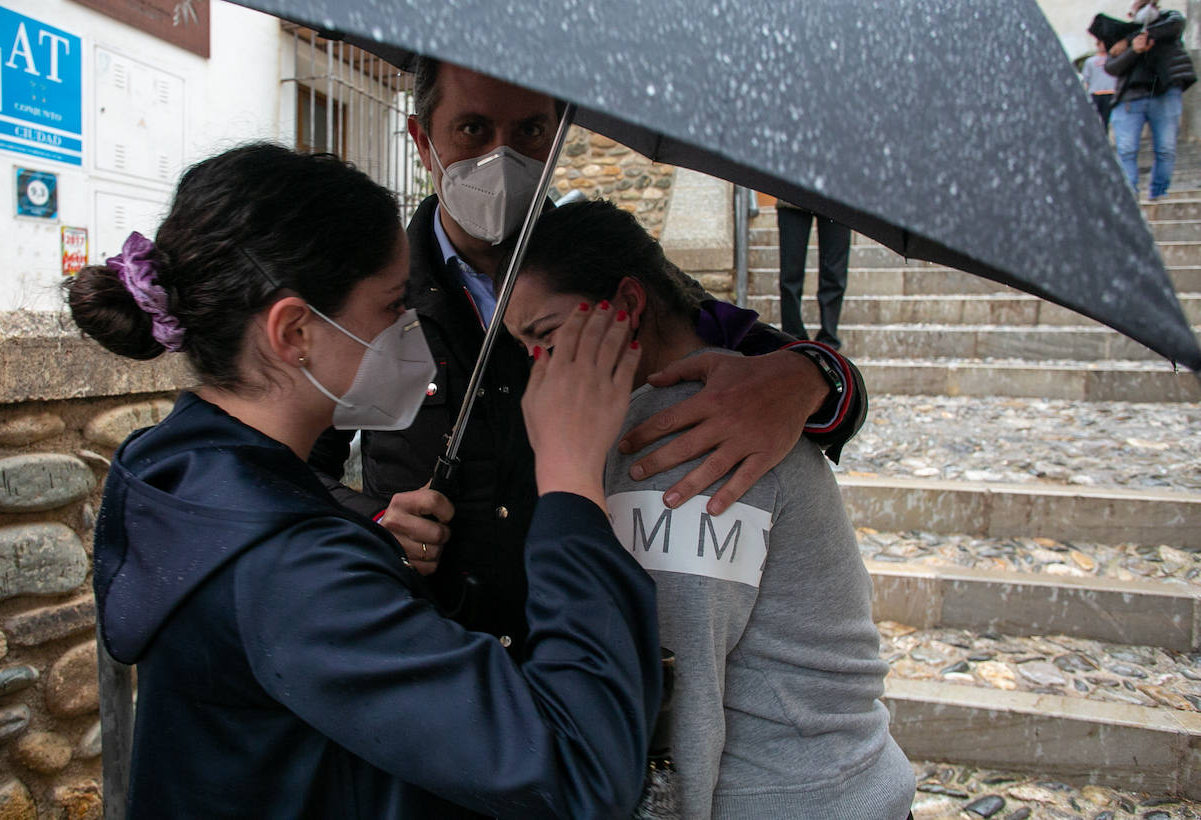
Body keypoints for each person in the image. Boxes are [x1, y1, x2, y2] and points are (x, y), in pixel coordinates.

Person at [66, 143, 663, 819]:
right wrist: (572, 482)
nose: (412, 330)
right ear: (295, 332)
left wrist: (366, 539)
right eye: (390, 306)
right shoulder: (290, 569)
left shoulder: (178, 466)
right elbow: (579, 772)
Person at [310, 60, 867, 655]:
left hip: (573, 652)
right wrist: (369, 524)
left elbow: (772, 359)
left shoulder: (601, 270)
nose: (502, 157)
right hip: (433, 650)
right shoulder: (373, 294)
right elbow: (291, 461)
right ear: (424, 142)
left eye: (528, 132)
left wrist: (812, 378)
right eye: (473, 129)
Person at [503, 199, 916, 820]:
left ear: (629, 306)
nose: (539, 370)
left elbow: (679, 704)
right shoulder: (717, 401)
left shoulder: (682, 437)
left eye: (548, 336)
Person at [1107, 0, 1198, 200]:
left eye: (1149, 4)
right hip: (1130, 98)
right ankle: (1130, 194)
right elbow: (1112, 66)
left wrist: (1133, 38)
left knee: (1166, 149)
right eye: (1140, 6)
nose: (1146, 9)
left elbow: (1175, 24)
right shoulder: (1122, 35)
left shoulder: (1169, 23)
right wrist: (1134, 50)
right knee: (1126, 149)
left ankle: (1159, 193)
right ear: (1131, 13)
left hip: (1164, 95)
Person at [775, 198, 851, 351]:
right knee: (790, 276)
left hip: (837, 196)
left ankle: (829, 340)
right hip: (792, 192)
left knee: (835, 276)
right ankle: (792, 339)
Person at [1080, 35, 1118, 130]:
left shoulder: (1114, 59)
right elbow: (1086, 79)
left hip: (1111, 92)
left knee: (1111, 119)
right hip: (1096, 93)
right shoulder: (1090, 61)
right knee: (1097, 120)